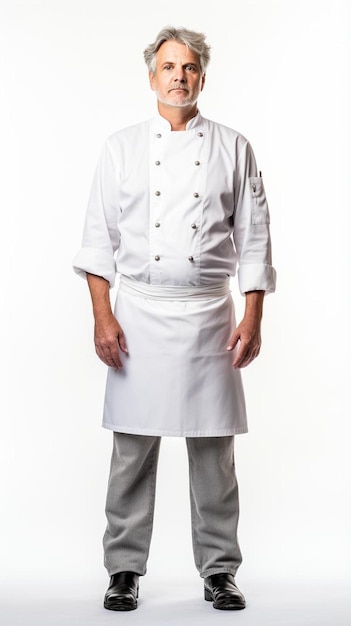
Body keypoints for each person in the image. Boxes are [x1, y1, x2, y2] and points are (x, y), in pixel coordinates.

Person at [73, 25, 276, 612]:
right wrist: (102, 317)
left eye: (189, 67)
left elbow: (255, 239)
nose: (179, 76)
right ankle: (123, 570)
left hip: (211, 314)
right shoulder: (121, 148)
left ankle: (219, 570)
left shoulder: (236, 147)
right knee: (132, 451)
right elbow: (97, 241)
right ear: (152, 76)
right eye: (168, 67)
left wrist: (254, 311)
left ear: (202, 77)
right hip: (137, 313)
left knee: (214, 453)